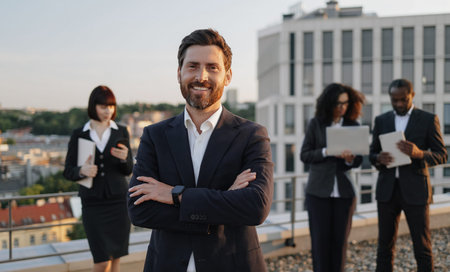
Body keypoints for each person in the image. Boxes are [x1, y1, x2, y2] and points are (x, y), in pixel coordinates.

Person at [127, 28, 273, 272]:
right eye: (192, 66)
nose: (201, 76)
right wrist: (224, 201)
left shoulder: (252, 135)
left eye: (212, 67)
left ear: (227, 76)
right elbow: (139, 210)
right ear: (179, 73)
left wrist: (175, 195)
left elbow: (255, 207)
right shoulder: (155, 135)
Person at [369, 78, 447, 272]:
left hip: (416, 192)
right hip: (387, 191)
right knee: (384, 246)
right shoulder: (381, 120)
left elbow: (442, 155)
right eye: (394, 100)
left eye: (403, 100)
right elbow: (371, 153)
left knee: (422, 245)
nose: (399, 104)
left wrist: (419, 153)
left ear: (412, 96)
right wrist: (378, 157)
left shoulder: (429, 119)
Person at [64, 86, 133, 272]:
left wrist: (125, 158)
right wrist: (82, 170)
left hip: (118, 202)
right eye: (103, 106)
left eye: (111, 106)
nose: (108, 111)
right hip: (93, 205)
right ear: (93, 106)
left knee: (116, 258)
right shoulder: (79, 134)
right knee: (102, 261)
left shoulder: (121, 131)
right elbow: (68, 171)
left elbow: (128, 170)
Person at [300, 83, 365, 272]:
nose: (342, 107)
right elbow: (305, 155)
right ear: (329, 104)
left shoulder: (353, 125)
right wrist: (326, 151)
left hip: (344, 193)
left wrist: (350, 159)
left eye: (345, 103)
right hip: (318, 192)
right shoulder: (316, 123)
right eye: (338, 103)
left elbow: (359, 160)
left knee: (340, 243)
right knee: (320, 244)